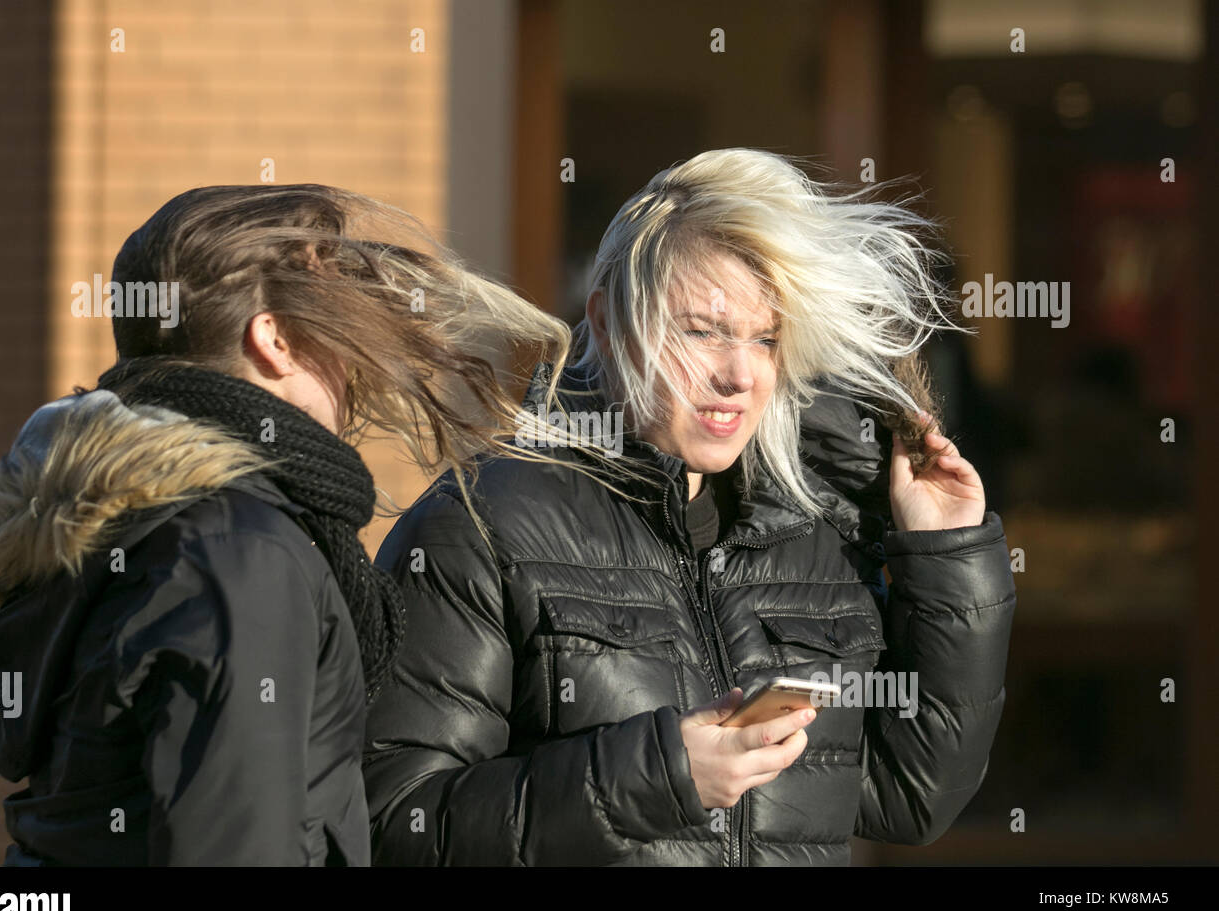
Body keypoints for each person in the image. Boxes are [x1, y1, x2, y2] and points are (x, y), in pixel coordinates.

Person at [363, 148, 1016, 866]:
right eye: (703, 331)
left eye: (765, 338)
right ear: (609, 325)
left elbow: (910, 796)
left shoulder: (809, 528)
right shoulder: (482, 524)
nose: (739, 374)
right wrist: (659, 777)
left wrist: (946, 557)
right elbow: (400, 824)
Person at [0, 183, 572, 865]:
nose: (352, 364)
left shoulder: (140, 518)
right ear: (274, 339)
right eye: (335, 326)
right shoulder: (237, 552)